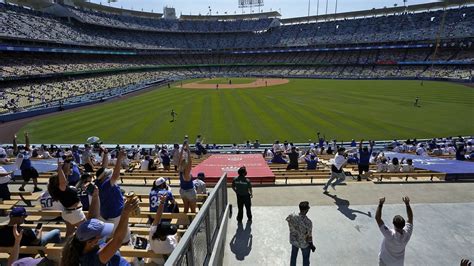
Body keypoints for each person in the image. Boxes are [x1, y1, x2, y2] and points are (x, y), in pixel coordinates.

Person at [61, 197, 139, 266]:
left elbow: (93, 217)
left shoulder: (84, 246)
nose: (104, 236)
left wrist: (95, 196)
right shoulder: (94, 259)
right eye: (102, 234)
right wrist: (125, 213)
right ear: (91, 242)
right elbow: (117, 240)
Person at [95, 148, 131, 244]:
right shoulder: (106, 184)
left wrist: (105, 154)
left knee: (109, 236)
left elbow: (103, 168)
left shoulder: (98, 182)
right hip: (116, 215)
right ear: (106, 177)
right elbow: (115, 175)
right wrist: (119, 159)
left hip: (105, 214)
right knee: (124, 237)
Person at [376, 196, 413, 266]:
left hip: (385, 261)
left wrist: (380, 204)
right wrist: (407, 204)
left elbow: (378, 218)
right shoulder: (407, 233)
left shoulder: (390, 234)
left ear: (393, 224)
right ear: (404, 225)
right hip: (398, 263)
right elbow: (410, 218)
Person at [286, 201, 315, 266]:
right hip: (304, 244)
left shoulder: (292, 216)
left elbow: (288, 220)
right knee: (305, 258)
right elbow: (309, 237)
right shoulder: (308, 222)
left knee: (293, 256)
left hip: (294, 241)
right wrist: (312, 245)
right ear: (306, 210)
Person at [178, 142, 197, 213]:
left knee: (186, 208)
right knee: (193, 210)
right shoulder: (187, 173)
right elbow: (190, 162)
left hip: (182, 191)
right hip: (190, 192)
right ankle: (192, 223)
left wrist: (183, 147)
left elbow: (180, 159)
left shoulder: (180, 170)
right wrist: (188, 150)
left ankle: (185, 223)